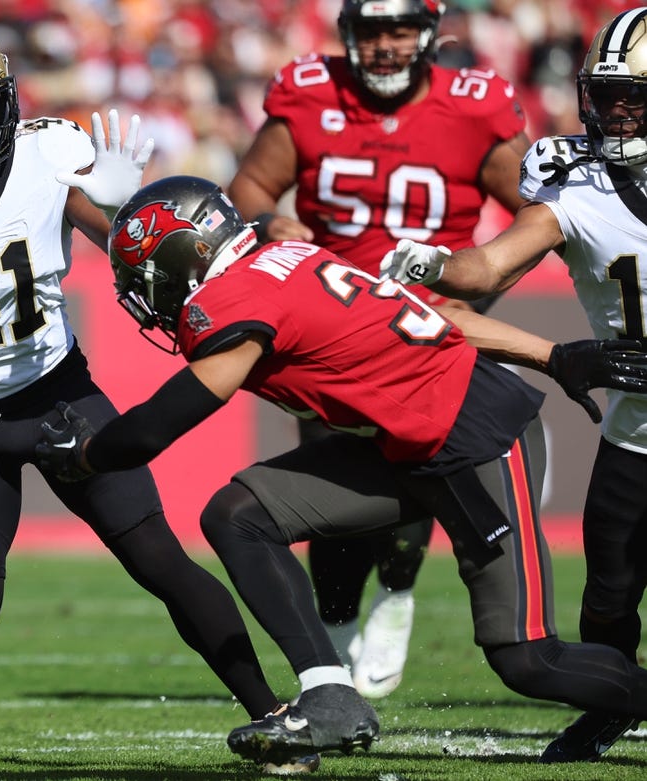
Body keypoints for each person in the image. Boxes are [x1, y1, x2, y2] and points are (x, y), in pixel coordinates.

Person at [35, 174, 647, 767]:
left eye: (153, 277)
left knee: (528, 660)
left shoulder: (236, 297)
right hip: (405, 444)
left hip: (473, 440)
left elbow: (158, 424)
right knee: (238, 515)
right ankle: (329, 694)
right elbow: (436, 318)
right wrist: (549, 354)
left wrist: (87, 455)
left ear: (191, 257)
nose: (153, 294)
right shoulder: (285, 257)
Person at [0, 17, 288, 755]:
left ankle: (273, 714)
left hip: (58, 391)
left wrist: (131, 207)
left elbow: (127, 248)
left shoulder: (49, 152)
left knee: (160, 558)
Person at [227, 0, 531, 699]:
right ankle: (334, 622)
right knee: (329, 475)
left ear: (428, 35)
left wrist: (478, 289)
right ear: (348, 35)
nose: (386, 46)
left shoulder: (472, 105)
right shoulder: (308, 93)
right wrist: (272, 219)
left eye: (399, 30)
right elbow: (250, 183)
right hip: (328, 322)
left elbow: (539, 216)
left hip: (422, 325)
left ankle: (395, 592)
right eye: (371, 31)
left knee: (419, 463)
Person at [379, 5, 647, 763]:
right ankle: (612, 709)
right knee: (609, 596)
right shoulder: (583, 187)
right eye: (611, 93)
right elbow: (489, 265)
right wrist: (431, 261)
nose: (618, 111)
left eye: (638, 96)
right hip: (632, 432)